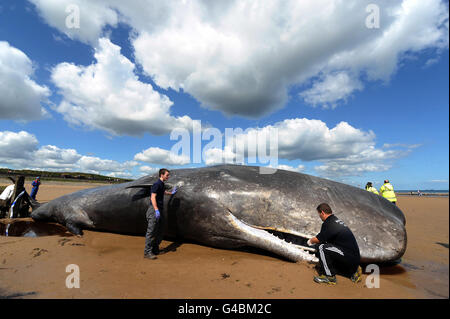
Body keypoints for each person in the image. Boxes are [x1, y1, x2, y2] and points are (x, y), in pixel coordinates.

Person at [307, 203, 361, 285]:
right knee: (326, 247)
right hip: (354, 258)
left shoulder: (329, 223)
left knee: (322, 247)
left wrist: (309, 241)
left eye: (319, 214)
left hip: (349, 257)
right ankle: (353, 270)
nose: (319, 217)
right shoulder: (336, 220)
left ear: (322, 213)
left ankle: (329, 277)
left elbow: (318, 239)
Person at [144, 168, 178, 260]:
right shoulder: (156, 184)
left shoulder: (162, 184)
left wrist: (171, 193)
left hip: (160, 210)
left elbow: (162, 192)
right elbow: (153, 197)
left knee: (161, 230)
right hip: (154, 210)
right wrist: (156, 210)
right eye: (167, 175)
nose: (168, 176)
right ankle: (147, 252)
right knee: (151, 231)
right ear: (161, 175)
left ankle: (155, 248)